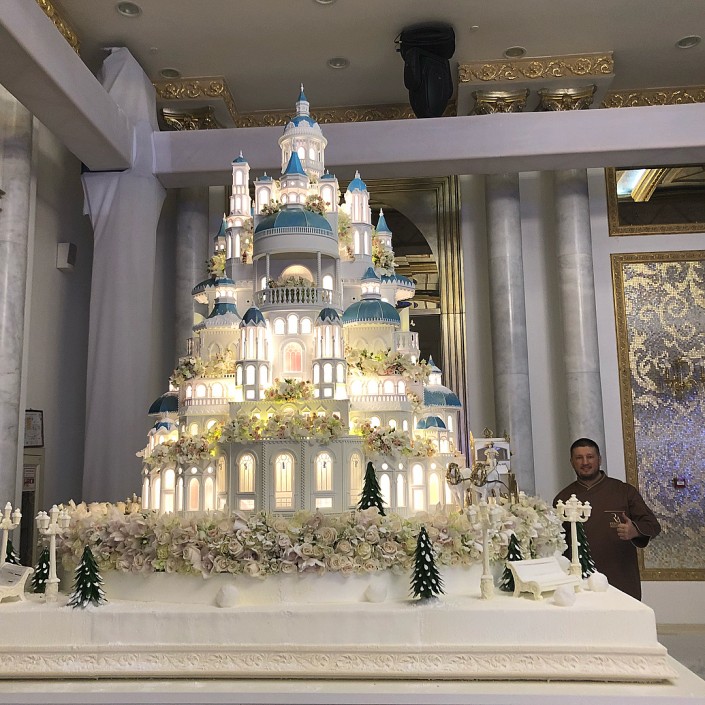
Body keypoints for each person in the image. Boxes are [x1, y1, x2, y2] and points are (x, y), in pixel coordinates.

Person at [554, 438, 661, 600]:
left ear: (599, 459)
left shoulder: (624, 491)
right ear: (572, 462)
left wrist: (635, 530)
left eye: (590, 457)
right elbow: (557, 543)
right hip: (579, 582)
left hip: (620, 577)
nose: (585, 462)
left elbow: (653, 525)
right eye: (579, 458)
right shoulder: (563, 499)